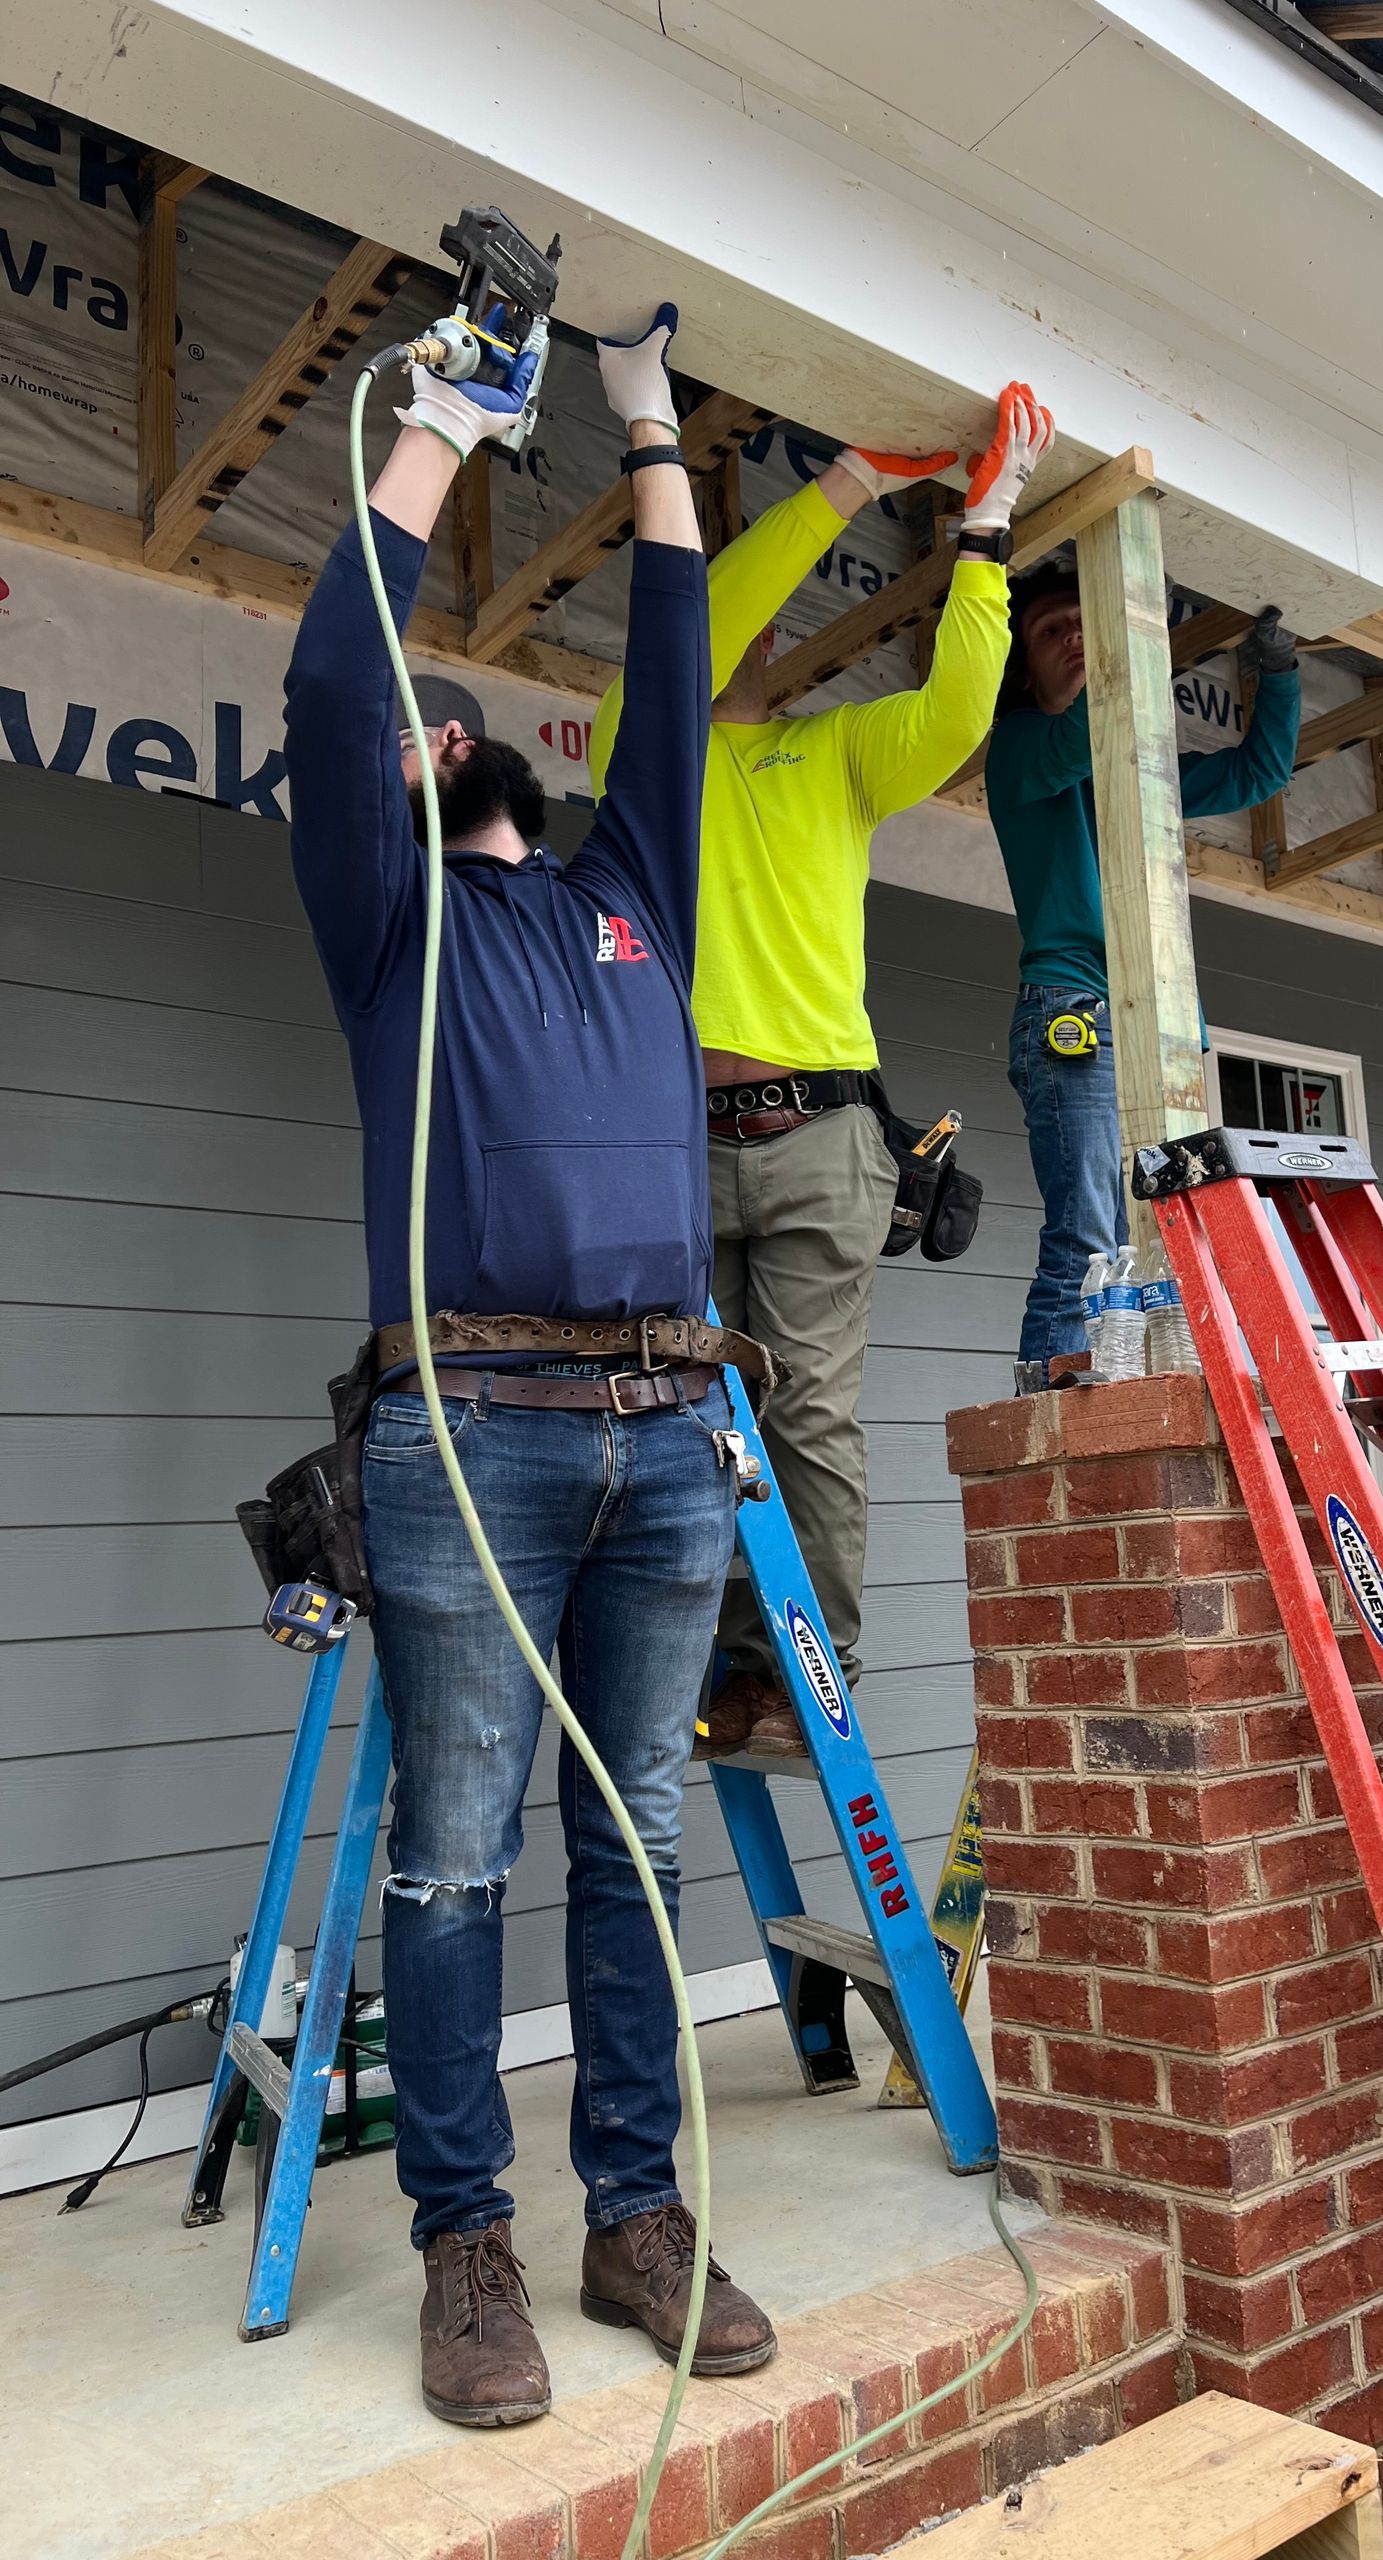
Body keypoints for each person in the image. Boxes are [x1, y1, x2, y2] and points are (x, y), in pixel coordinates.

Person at [282, 305, 779, 2429]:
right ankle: (465, 2242)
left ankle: (635, 2216)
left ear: (504, 758)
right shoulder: (389, 922)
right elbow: (335, 684)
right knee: (459, 1852)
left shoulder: (628, 888)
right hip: (469, 1430)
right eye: (410, 731)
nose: (426, 733)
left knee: (638, 1842)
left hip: (668, 1429)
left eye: (452, 717)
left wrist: (645, 412)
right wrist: (453, 421)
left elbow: (675, 658)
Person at [590, 386, 1054, 1753]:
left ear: (783, 645)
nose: (733, 634)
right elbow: (688, 627)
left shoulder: (836, 752)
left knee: (805, 1424)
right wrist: (844, 482)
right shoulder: (640, 748)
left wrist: (986, 528)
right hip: (677, 1144)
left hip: (822, 1138)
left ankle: (800, 1677)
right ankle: (703, 1666)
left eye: (754, 625)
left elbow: (960, 703)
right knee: (684, 1416)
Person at [986, 568, 1302, 1381]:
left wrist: (1277, 671)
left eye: (1083, 621)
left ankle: (1136, 1407)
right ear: (1025, 668)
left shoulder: (1131, 771)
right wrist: (1126, 623)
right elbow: (1085, 733)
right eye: (1051, 631)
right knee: (1089, 1238)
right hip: (1075, 1012)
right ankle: (1049, 1421)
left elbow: (1257, 774)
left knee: (1166, 1243)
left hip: (1158, 1023)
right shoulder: (1020, 747)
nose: (1073, 636)